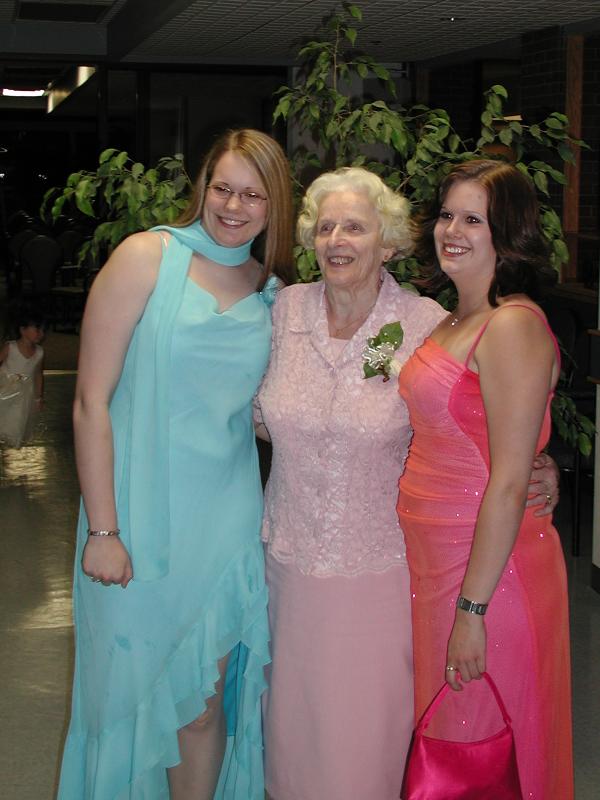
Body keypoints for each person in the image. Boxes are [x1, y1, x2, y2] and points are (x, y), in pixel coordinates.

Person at [254, 166, 559, 800]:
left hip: (383, 569)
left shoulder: (413, 324)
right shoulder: (285, 312)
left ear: (387, 242)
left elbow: (460, 422)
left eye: (357, 227)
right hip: (289, 560)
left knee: (379, 739)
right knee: (292, 734)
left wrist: (534, 464)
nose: (339, 239)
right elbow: (255, 409)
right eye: (327, 226)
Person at [57, 128, 294, 800]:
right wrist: (103, 530)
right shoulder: (146, 257)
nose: (233, 205)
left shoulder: (276, 294)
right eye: (223, 187)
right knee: (124, 696)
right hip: (130, 514)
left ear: (274, 206)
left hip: (224, 522)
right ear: (203, 186)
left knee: (202, 700)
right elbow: (88, 402)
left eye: (252, 194)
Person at [397, 159, 573, 798]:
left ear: (508, 233)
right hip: (435, 562)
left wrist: (473, 610)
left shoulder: (513, 326)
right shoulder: (450, 317)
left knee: (481, 748)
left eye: (474, 218)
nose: (453, 230)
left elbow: (505, 481)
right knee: (452, 743)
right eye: (447, 214)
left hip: (491, 575)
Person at [0, 307, 45, 448]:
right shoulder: (10, 347)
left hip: (25, 393)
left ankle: (8, 438)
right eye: (37, 329)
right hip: (4, 388)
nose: (41, 334)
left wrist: (38, 397)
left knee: (16, 418)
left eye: (42, 330)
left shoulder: (39, 352)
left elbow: (38, 374)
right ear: (23, 330)